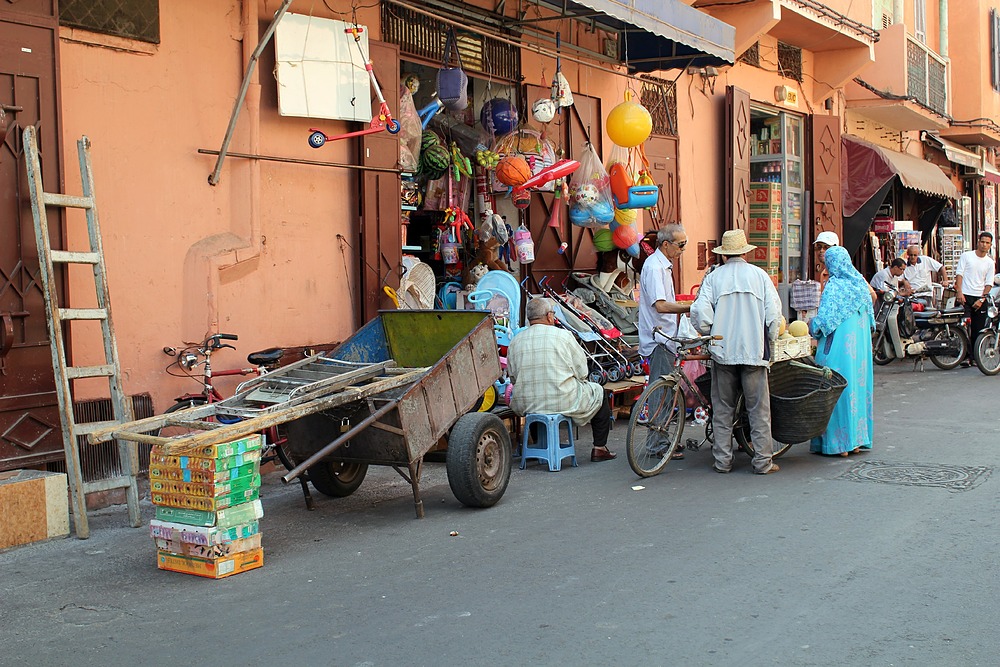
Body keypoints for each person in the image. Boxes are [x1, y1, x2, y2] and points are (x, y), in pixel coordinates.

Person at [691, 229, 782, 475]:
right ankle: (763, 462)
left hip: (723, 351)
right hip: (754, 351)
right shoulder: (760, 276)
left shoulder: (714, 278)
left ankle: (722, 461)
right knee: (759, 410)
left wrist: (709, 332)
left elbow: (700, 314)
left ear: (724, 255)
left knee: (722, 408)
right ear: (745, 253)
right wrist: (770, 342)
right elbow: (774, 316)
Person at [506, 297, 616, 462]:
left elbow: (513, 378)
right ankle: (599, 448)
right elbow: (582, 372)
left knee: (537, 399)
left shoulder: (515, 341)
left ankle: (539, 445)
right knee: (599, 392)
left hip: (525, 403)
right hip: (562, 399)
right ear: (550, 316)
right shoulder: (563, 336)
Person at [809, 246, 875, 456]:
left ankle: (838, 444)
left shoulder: (834, 286)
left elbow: (825, 322)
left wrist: (811, 326)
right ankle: (855, 440)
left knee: (833, 389)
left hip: (836, 349)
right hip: (860, 353)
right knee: (856, 389)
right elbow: (872, 321)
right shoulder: (860, 285)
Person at [638, 224, 691, 459]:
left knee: (668, 391)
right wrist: (691, 306)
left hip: (667, 336)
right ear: (666, 244)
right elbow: (660, 305)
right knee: (661, 392)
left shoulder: (662, 266)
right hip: (659, 338)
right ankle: (656, 444)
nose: (683, 250)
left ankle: (663, 439)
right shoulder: (655, 267)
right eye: (681, 245)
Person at [955, 232, 997, 366]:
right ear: (978, 242)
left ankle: (974, 357)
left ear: (990, 245)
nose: (984, 245)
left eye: (987, 243)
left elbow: (989, 283)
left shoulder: (990, 262)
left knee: (978, 329)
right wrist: (959, 292)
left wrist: (982, 298)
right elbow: (959, 274)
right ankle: (965, 356)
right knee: (963, 327)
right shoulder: (967, 256)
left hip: (980, 298)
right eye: (982, 242)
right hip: (965, 296)